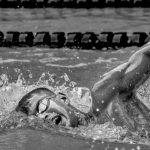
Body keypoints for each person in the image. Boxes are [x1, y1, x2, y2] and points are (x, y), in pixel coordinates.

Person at [16, 42, 150, 131]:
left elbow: (144, 55)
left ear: (62, 98)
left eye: (41, 107)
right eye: (36, 116)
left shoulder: (105, 95)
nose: (42, 117)